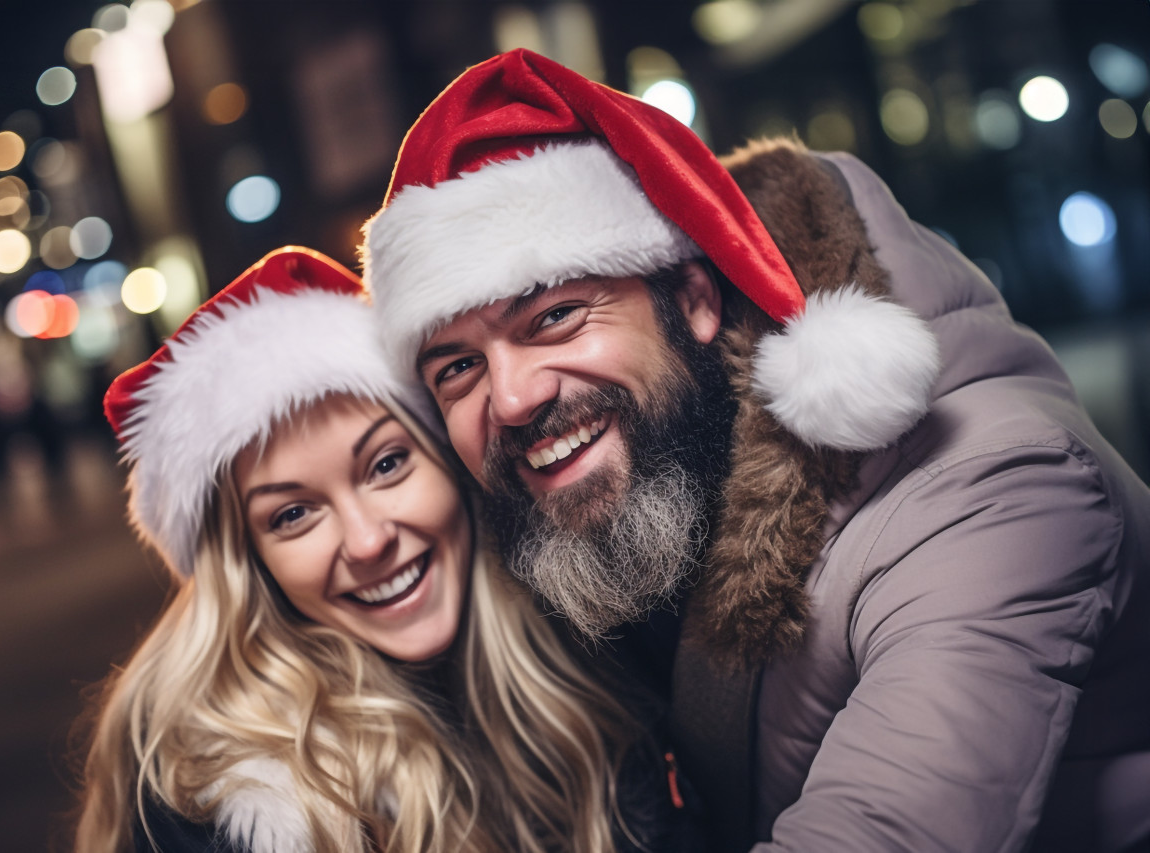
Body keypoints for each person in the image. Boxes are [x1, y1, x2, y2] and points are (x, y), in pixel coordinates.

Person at [359, 49, 1150, 852]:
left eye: (555, 317)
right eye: (457, 368)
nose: (512, 397)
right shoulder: (616, 523)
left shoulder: (991, 494)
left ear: (695, 300)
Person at [73, 246, 673, 853]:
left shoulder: (594, 636)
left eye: (386, 465)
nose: (367, 540)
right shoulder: (211, 804)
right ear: (250, 564)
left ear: (448, 461)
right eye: (293, 515)